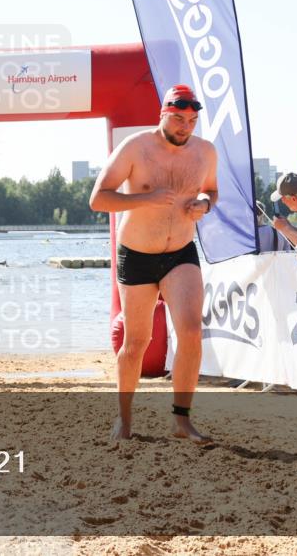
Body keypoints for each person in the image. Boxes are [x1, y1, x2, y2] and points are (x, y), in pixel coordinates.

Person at [90, 84, 218, 444]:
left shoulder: (205, 152)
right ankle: (124, 419)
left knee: (191, 331)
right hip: (137, 253)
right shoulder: (136, 147)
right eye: (178, 118)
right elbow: (98, 199)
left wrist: (205, 204)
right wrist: (146, 199)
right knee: (136, 342)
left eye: (191, 120)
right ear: (163, 114)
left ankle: (182, 420)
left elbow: (213, 190)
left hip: (180, 251)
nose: (184, 126)